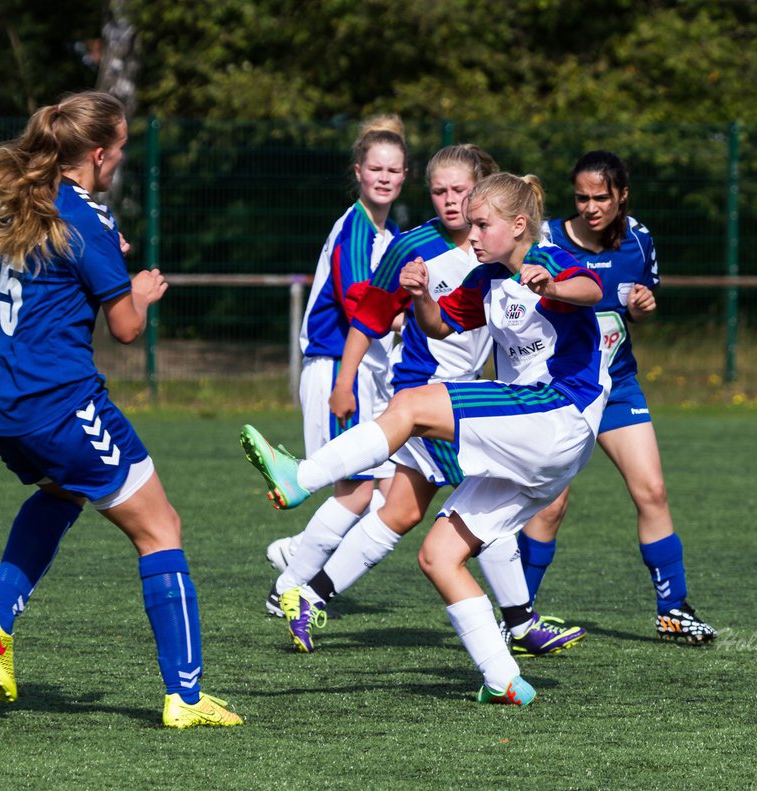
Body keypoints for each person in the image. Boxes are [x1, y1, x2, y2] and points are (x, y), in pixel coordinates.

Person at [242, 172, 609, 706]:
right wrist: (418, 298)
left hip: (558, 414)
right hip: (539, 440)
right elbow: (442, 327)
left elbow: (591, 289)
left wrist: (551, 286)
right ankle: (504, 678)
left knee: (411, 406)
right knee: (439, 555)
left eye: (484, 223)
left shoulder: (548, 259)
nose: (473, 232)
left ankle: (302, 478)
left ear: (520, 224)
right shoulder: (485, 278)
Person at [0, 91, 240, 729]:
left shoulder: (22, 197)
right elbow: (125, 331)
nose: (119, 160)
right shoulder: (87, 219)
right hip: (55, 403)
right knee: (160, 527)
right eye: (117, 149)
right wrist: (139, 292)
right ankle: (187, 698)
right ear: (96, 153)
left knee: (61, 493)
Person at [516, 150, 717, 645]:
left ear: (622, 196)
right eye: (581, 197)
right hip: (560, 390)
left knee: (652, 491)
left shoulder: (639, 240)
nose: (590, 207)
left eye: (600, 197)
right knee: (550, 506)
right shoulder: (546, 241)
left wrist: (644, 308)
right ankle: (516, 616)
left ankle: (673, 610)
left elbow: (636, 303)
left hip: (618, 385)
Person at [263, 114, 408, 618]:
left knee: (388, 493)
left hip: (364, 373)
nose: (384, 177)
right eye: (376, 168)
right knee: (357, 490)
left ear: (404, 175)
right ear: (359, 172)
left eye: (394, 169)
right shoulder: (354, 230)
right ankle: (288, 585)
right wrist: (409, 315)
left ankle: (295, 552)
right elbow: (357, 303)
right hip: (333, 369)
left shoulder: (386, 233)